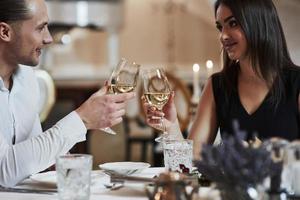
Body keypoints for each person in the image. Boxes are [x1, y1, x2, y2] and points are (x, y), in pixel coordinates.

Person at [0, 0, 134, 187]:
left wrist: (56, 162)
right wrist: (82, 119)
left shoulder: (27, 76)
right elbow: (4, 170)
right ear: (5, 32)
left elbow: (31, 156)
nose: (48, 39)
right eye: (40, 28)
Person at [144, 0, 300, 158]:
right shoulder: (217, 85)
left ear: (258, 23)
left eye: (232, 23)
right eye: (220, 27)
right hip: (230, 184)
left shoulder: (296, 83)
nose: (223, 36)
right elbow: (191, 160)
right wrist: (172, 127)